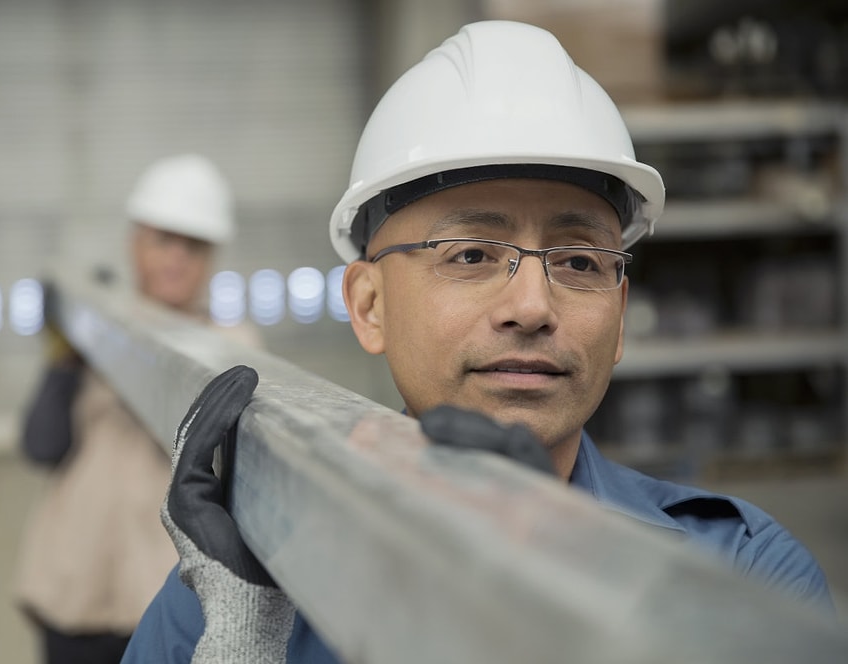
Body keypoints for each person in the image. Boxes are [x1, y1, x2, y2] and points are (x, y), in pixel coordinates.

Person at [121, 21, 834, 663]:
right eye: (470, 254)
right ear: (369, 306)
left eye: (580, 262)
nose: (531, 306)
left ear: (619, 313)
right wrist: (244, 642)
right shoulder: (241, 588)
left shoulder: (746, 575)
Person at [13, 153, 259, 663]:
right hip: (73, 589)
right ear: (135, 242)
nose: (176, 258)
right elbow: (42, 446)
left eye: (193, 245)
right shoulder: (97, 334)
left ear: (211, 256)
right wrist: (65, 358)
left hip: (160, 605)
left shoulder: (232, 350)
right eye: (163, 239)